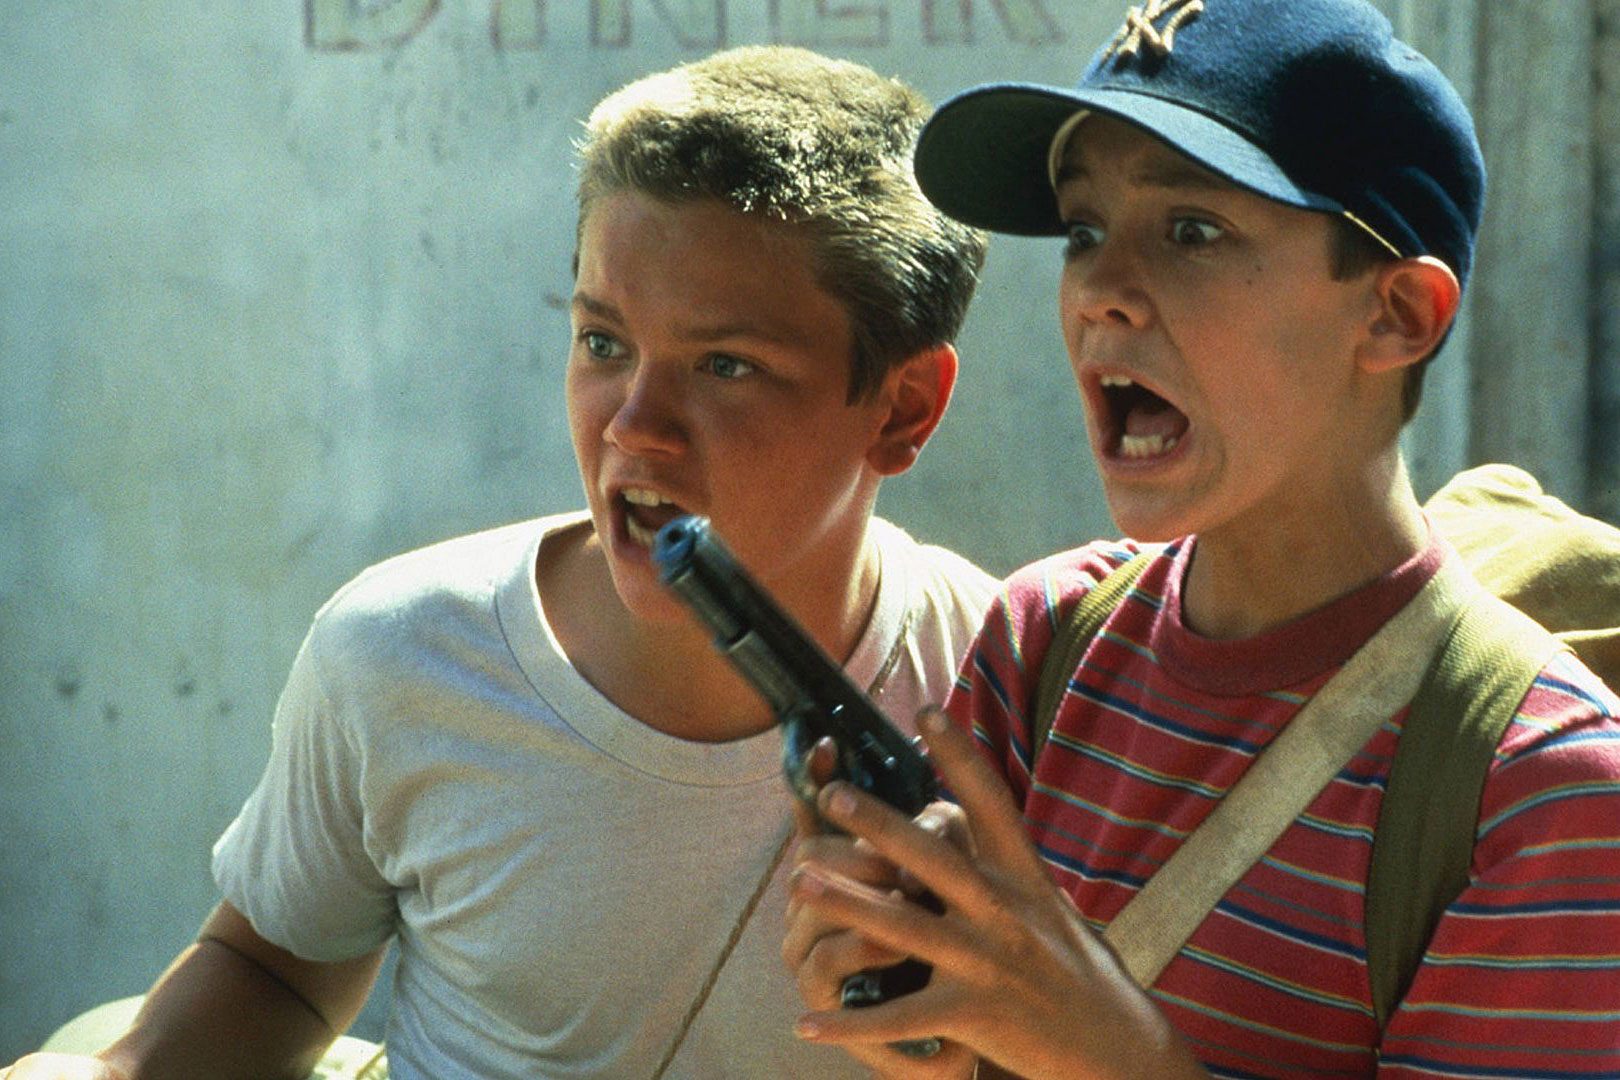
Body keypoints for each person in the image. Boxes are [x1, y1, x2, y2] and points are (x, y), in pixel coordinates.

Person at [6, 45, 993, 1079]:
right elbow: (279, 971)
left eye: (726, 366)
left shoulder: (1007, 682)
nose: (636, 428)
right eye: (603, 344)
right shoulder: (401, 650)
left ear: (903, 407)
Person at [783, 1, 1620, 1076]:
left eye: (1193, 231)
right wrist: (911, 1000)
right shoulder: (1046, 646)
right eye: (1084, 231)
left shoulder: (1544, 791)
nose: (1102, 296)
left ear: (1399, 314)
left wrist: (1106, 1047)